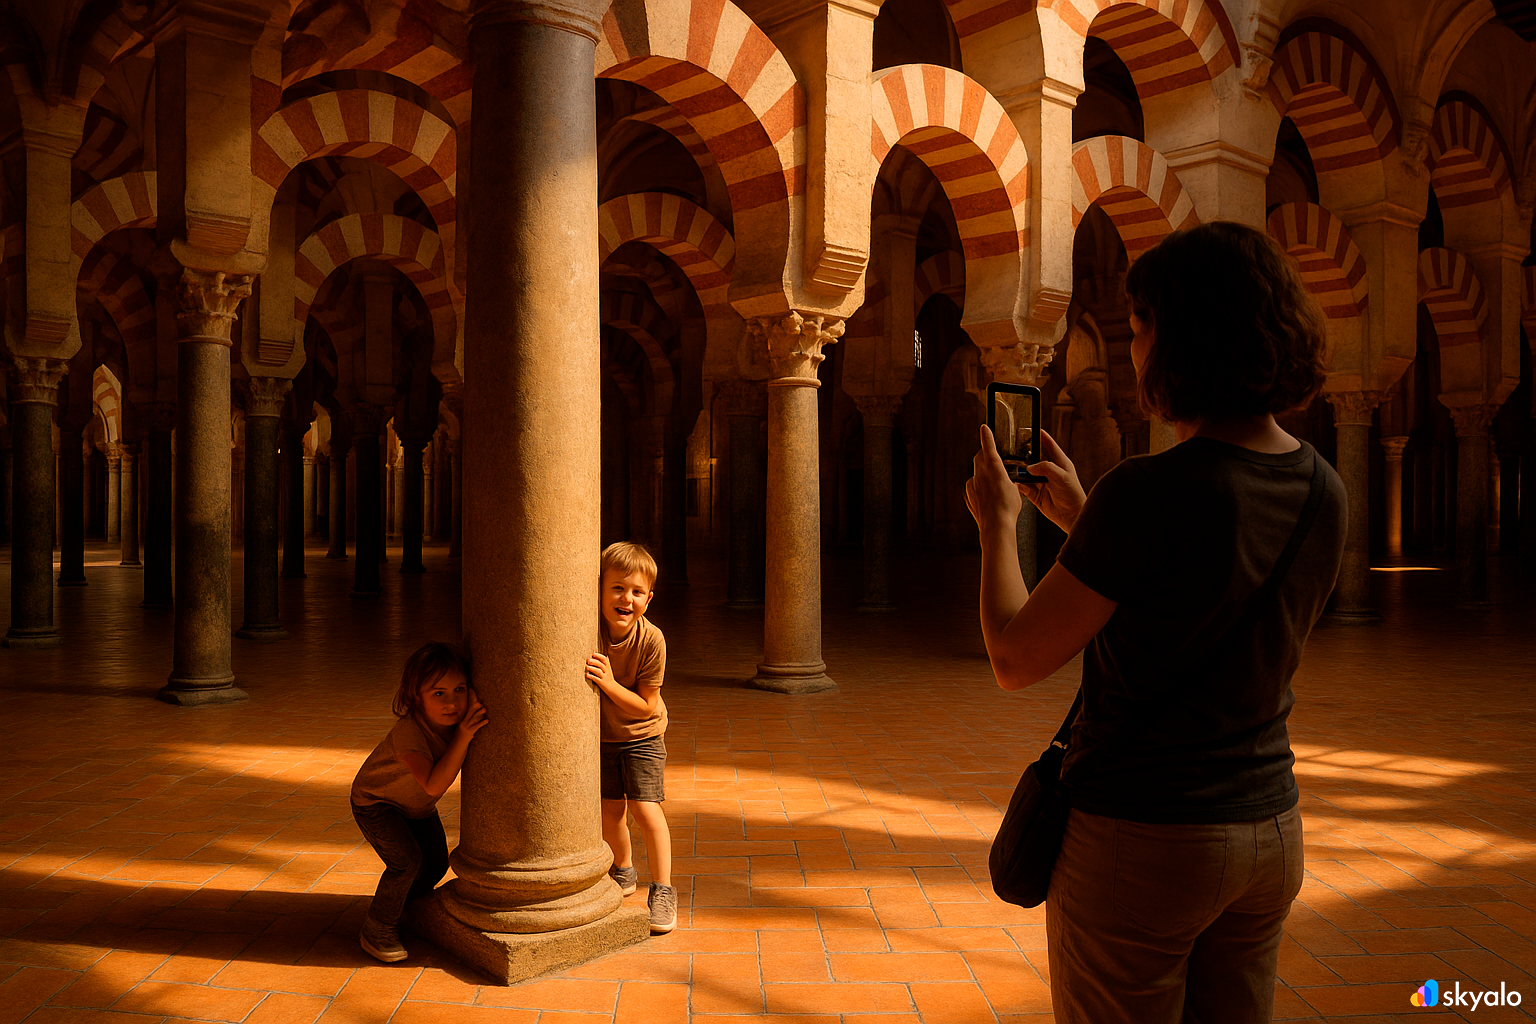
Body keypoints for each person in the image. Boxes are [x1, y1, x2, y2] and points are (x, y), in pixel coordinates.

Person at [966, 221, 1347, 1023]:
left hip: (1144, 839)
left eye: (1138, 328)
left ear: (1183, 339)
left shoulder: (1147, 491)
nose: (1131, 351)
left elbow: (1013, 656)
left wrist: (999, 524)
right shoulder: (1324, 489)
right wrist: (1085, 516)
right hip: (1269, 831)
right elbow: (1207, 585)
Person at [350, 641, 487, 962]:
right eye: (438, 693)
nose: (452, 702)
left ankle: (401, 907)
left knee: (437, 863)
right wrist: (465, 736)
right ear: (415, 697)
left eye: (460, 690)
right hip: (377, 803)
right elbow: (433, 783)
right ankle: (377, 928)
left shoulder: (456, 718)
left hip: (416, 808)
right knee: (406, 863)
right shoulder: (410, 733)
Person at [586, 541, 676, 934]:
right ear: (600, 590)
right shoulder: (589, 629)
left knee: (645, 809)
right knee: (610, 811)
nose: (627, 598)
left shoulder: (652, 639)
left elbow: (647, 706)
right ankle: (623, 870)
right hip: (604, 739)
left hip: (642, 736)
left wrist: (607, 683)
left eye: (637, 591)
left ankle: (663, 889)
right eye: (618, 588)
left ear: (649, 599)